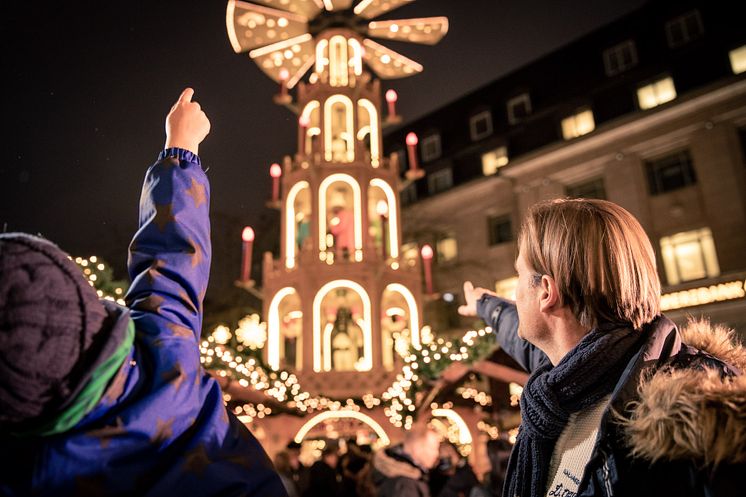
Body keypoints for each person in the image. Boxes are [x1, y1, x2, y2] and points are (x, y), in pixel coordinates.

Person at [0, 89, 286, 496]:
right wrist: (181, 146)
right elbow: (172, 251)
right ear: (85, 305)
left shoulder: (30, 472)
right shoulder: (163, 346)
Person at [448, 198, 745, 497]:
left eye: (519, 276)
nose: (515, 292)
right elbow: (515, 330)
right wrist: (487, 306)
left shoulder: (698, 417)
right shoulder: (569, 379)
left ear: (547, 293)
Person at [371, 425, 442, 496]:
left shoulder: (405, 474)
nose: (437, 454)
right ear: (417, 447)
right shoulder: (405, 484)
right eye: (433, 448)